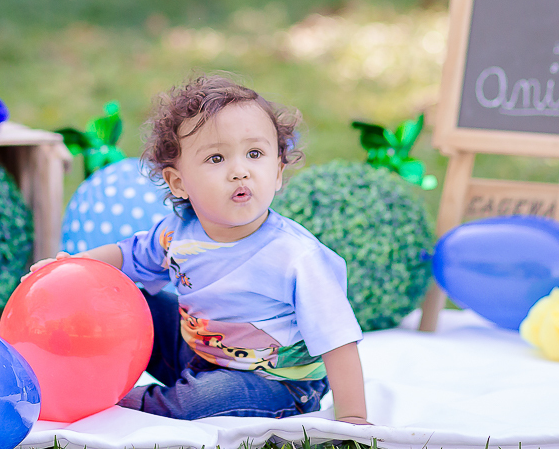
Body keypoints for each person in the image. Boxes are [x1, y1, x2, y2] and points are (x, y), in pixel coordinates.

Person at [30, 74, 369, 423]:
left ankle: (123, 403)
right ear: (179, 182)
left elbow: (338, 339)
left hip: (274, 383)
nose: (240, 171)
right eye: (217, 158)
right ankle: (87, 369)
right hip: (195, 351)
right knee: (128, 300)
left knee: (204, 399)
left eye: (255, 154)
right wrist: (73, 268)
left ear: (278, 172)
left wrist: (353, 416)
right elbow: (125, 256)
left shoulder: (297, 257)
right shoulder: (178, 232)